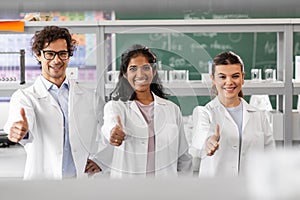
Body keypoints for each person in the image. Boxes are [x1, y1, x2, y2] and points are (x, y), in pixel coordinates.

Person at [4, 26, 102, 180]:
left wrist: (101, 159)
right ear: (38, 55)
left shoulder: (90, 97)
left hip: (80, 183)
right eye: (49, 54)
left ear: (69, 56)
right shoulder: (25, 96)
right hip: (43, 184)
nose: (56, 60)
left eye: (62, 54)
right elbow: (19, 120)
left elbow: (110, 130)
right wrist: (18, 129)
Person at [100, 44, 192, 178]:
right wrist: (113, 133)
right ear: (125, 74)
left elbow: (183, 157)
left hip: (165, 190)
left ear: (153, 72)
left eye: (145, 68)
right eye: (133, 69)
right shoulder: (116, 107)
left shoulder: (172, 109)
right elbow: (109, 125)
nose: (140, 74)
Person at [191, 51, 275, 177]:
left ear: (242, 78)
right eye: (222, 77)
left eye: (235, 76)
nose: (229, 82)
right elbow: (199, 139)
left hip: (252, 189)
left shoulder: (259, 116)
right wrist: (209, 142)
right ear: (213, 79)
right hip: (216, 191)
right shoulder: (204, 113)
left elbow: (270, 157)